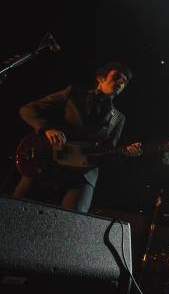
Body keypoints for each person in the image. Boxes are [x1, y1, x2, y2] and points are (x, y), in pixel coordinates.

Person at [12, 62, 142, 213]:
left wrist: (125, 153)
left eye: (124, 81)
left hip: (83, 174)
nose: (121, 82)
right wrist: (46, 129)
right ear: (100, 78)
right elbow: (28, 110)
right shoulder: (73, 94)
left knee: (75, 220)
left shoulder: (118, 118)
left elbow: (107, 153)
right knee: (16, 209)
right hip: (48, 158)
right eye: (117, 77)